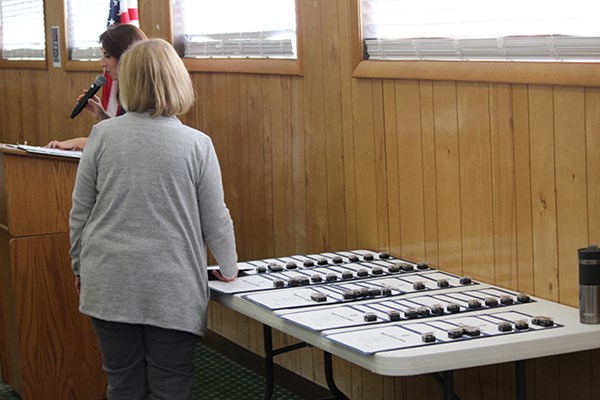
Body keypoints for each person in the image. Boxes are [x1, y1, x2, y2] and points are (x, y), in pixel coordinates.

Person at [69, 38, 238, 399]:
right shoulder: (197, 144)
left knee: (123, 381)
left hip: (108, 278)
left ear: (126, 82)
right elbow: (216, 218)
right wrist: (228, 266)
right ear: (178, 81)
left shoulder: (101, 136)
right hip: (172, 285)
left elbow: (80, 213)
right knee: (171, 383)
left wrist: (79, 267)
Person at [46, 24, 147, 150]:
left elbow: (129, 142)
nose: (102, 63)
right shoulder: (126, 91)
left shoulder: (144, 97)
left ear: (126, 57)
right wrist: (102, 115)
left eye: (108, 56)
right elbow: (122, 134)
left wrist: (76, 143)